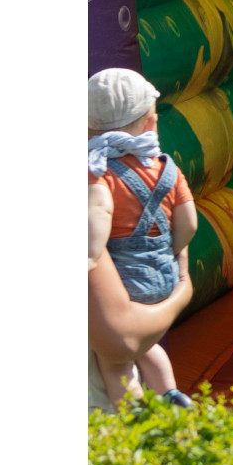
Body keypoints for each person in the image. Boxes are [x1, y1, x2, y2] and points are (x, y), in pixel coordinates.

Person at [87, 67, 199, 410]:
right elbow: (189, 223)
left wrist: (91, 253)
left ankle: (134, 414)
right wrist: (174, 253)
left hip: (127, 279)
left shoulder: (98, 171)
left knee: (116, 364)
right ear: (151, 123)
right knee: (150, 346)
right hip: (164, 274)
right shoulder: (167, 168)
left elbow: (99, 212)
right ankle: (171, 393)